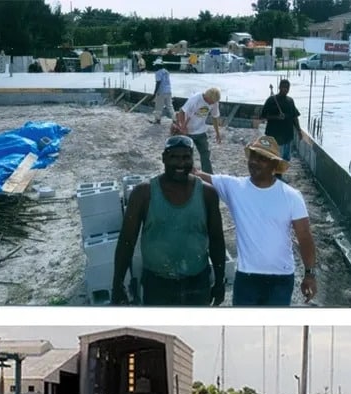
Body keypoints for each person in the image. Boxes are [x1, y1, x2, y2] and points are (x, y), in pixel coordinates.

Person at [194, 135, 317, 307]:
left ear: (274, 166)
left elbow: (305, 237)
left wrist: (310, 274)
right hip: (247, 277)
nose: (255, 162)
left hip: (281, 279)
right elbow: (197, 175)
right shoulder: (234, 187)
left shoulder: (292, 196)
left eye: (263, 159)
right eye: (253, 156)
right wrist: (179, 136)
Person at [111, 135, 226, 306]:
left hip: (197, 283)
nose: (180, 164)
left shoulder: (207, 193)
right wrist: (117, 283)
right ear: (164, 158)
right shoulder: (143, 194)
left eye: (186, 157)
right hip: (157, 284)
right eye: (174, 157)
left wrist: (219, 281)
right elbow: (127, 241)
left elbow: (216, 240)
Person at [174, 88, 221, 174]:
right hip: (188, 131)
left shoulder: (214, 102)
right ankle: (187, 173)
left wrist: (217, 133)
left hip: (201, 131)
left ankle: (208, 175)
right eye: (211, 102)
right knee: (187, 155)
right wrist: (183, 127)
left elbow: (215, 117)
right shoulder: (195, 99)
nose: (212, 104)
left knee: (205, 155)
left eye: (214, 102)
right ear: (207, 97)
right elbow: (182, 112)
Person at [260, 79, 302, 164]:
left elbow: (294, 117)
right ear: (279, 87)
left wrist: (299, 130)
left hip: (288, 136)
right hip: (274, 136)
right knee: (275, 160)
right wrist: (277, 117)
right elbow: (262, 116)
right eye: (283, 87)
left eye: (287, 87)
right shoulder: (271, 100)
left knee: (285, 160)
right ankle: (275, 176)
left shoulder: (290, 101)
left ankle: (279, 176)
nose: (285, 89)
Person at [149, 58, 175, 124]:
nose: (155, 66)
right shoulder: (166, 71)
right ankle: (175, 119)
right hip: (168, 91)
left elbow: (158, 83)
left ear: (158, 65)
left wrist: (154, 94)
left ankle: (157, 120)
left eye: (156, 65)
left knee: (158, 106)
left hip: (161, 92)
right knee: (170, 106)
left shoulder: (158, 72)